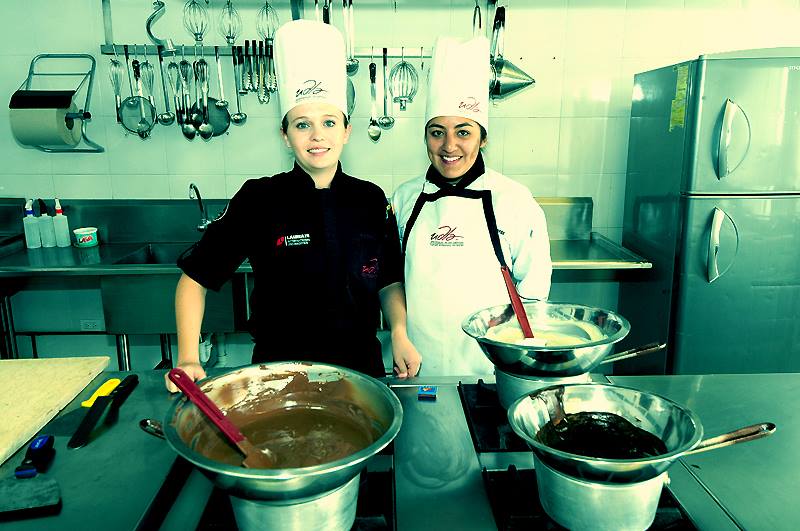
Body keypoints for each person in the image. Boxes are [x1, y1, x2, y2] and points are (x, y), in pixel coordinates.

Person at [166, 20, 420, 392]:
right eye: (302, 125)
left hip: (361, 373)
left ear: (346, 131)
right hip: (278, 376)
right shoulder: (259, 198)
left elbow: (387, 279)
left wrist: (398, 331)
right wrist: (188, 357)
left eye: (329, 122)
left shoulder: (369, 198)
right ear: (285, 135)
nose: (317, 136)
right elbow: (195, 279)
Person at [392, 36, 552, 376]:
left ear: (483, 137)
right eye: (437, 132)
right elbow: (394, 282)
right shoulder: (405, 199)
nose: (449, 146)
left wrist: (515, 361)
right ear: (425, 137)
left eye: (463, 132)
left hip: (492, 368)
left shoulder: (514, 200)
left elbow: (534, 294)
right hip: (418, 366)